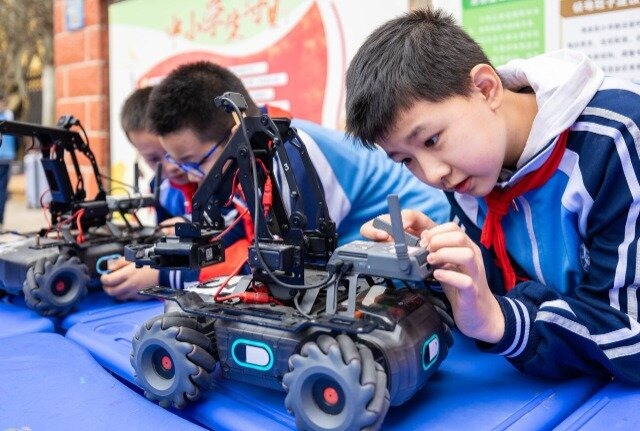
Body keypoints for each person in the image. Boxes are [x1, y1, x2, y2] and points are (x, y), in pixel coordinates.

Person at [346, 8, 640, 384]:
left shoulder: (618, 138)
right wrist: (441, 264)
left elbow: (630, 332)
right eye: (406, 160)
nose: (432, 174)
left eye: (431, 140)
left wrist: (499, 320)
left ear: (486, 89)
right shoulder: (472, 175)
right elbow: (502, 287)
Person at [141, 60, 450, 293]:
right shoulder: (259, 146)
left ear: (235, 135)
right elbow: (249, 235)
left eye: (194, 163)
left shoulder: (290, 151)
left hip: (425, 262)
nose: (193, 177)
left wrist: (169, 275)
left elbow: (286, 265)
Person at [100, 86, 197, 300]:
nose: (170, 166)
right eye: (154, 159)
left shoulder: (212, 178)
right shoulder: (160, 188)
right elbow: (165, 245)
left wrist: (162, 277)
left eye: (173, 152)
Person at [0, 93, 17, 231]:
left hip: (6, 157)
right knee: (2, 189)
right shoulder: (8, 116)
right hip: (6, 157)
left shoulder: (8, 116)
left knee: (2, 190)